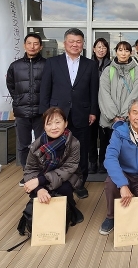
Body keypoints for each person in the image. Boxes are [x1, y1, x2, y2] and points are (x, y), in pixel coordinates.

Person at [39, 28, 99, 200]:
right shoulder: (52, 63)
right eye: (71, 41)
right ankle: (56, 182)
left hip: (82, 114)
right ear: (65, 43)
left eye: (78, 41)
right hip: (57, 116)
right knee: (57, 150)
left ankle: (79, 184)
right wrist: (46, 114)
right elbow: (45, 89)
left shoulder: (90, 64)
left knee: (81, 150)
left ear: (83, 44)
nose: (75, 44)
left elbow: (94, 91)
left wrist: (93, 111)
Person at [99, 98, 138, 235]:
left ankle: (136, 207)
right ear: (129, 115)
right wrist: (122, 184)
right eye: (135, 113)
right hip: (125, 174)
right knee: (110, 183)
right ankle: (111, 216)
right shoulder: (119, 132)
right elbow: (110, 158)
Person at [23, 107, 84, 224]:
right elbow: (30, 170)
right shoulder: (36, 145)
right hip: (43, 177)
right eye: (49, 123)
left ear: (65, 123)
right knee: (38, 195)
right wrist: (39, 189)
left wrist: (40, 181)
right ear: (44, 126)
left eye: (58, 122)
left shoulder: (74, 143)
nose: (54, 127)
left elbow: (68, 168)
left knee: (64, 188)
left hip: (68, 177)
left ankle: (69, 207)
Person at [6, 32, 46, 187]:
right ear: (24, 45)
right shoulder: (15, 66)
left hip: (41, 112)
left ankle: (41, 174)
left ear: (40, 46)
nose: (32, 46)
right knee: (23, 145)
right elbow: (11, 85)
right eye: (29, 43)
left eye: (36, 44)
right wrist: (18, 100)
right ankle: (27, 174)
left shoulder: (47, 65)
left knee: (42, 145)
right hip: (22, 112)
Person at [89, 38, 111, 174]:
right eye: (99, 47)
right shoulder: (87, 64)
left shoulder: (111, 65)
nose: (101, 50)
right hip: (91, 104)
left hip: (106, 106)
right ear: (94, 49)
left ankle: (103, 162)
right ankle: (92, 162)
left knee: (105, 137)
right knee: (91, 136)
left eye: (104, 47)